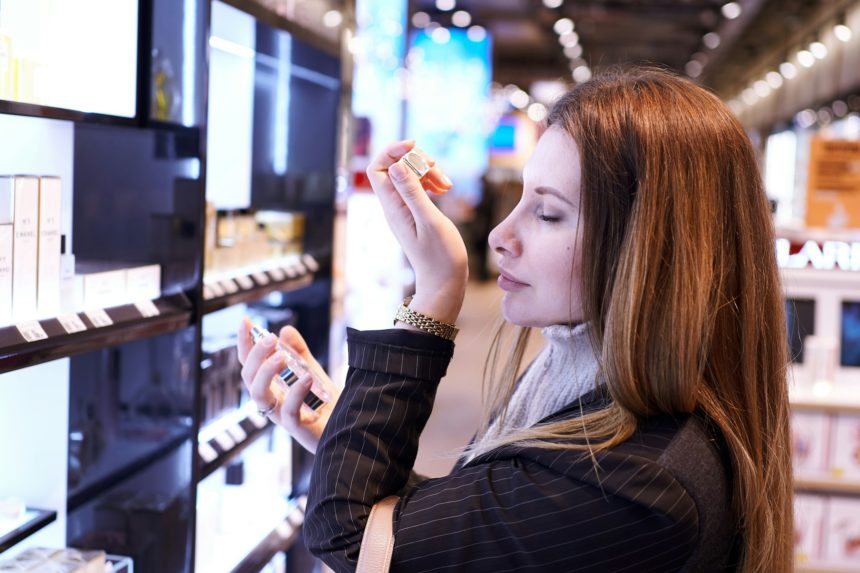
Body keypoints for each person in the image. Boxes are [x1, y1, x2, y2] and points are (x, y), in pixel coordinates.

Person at [237, 68, 793, 572]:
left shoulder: (639, 482)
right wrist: (346, 435)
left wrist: (433, 295)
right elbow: (502, 529)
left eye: (548, 213)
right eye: (522, 198)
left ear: (648, 248)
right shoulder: (596, 394)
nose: (502, 235)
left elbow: (351, 540)